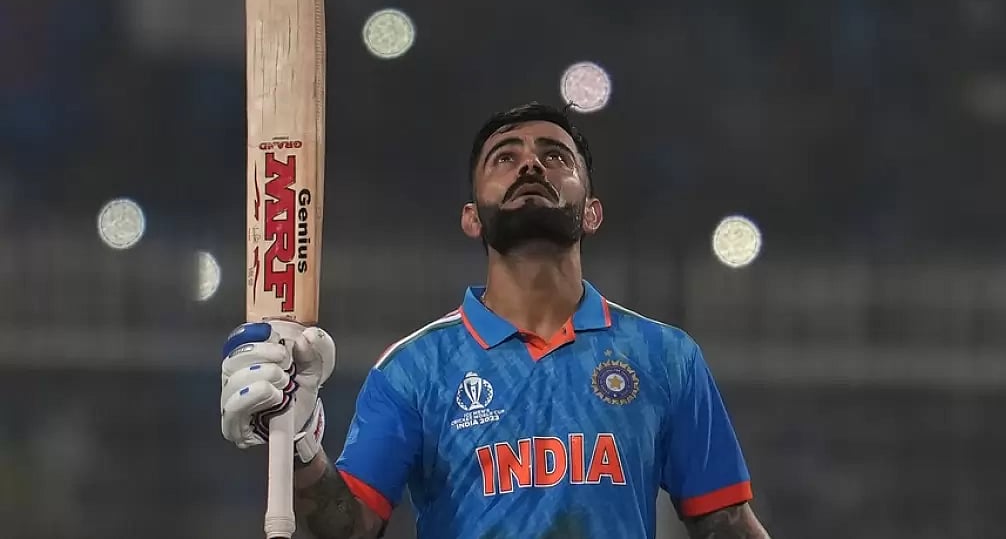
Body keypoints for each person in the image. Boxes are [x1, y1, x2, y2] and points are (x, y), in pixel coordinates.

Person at [220, 102, 771, 538]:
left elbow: (726, 526)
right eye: (504, 158)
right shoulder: (414, 370)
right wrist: (297, 447)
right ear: (471, 217)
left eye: (555, 156)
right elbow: (348, 530)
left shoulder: (665, 357)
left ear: (593, 211)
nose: (531, 164)